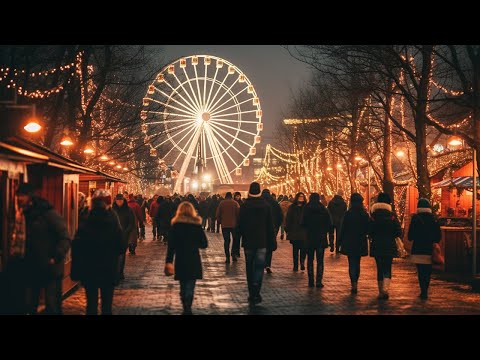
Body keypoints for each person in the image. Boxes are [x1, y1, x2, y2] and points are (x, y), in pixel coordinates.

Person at [14, 183, 71, 315]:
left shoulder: (47, 214)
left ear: (30, 197)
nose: (19, 198)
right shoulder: (22, 215)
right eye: (18, 195)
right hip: (32, 266)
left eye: (22, 195)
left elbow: (65, 238)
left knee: (52, 305)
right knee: (29, 304)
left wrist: (55, 257)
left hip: (51, 267)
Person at [71, 189, 123, 315]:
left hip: (90, 268)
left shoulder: (86, 219)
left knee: (91, 304)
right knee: (107, 305)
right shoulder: (113, 219)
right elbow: (121, 244)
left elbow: (77, 245)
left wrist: (77, 267)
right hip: (108, 267)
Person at [165, 201, 208, 315]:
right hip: (193, 258)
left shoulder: (176, 226)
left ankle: (185, 304)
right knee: (190, 284)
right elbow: (204, 244)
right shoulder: (196, 226)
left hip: (180, 258)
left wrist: (169, 261)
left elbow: (171, 246)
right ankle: (188, 305)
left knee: (183, 284)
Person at [238, 182, 275, 306]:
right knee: (259, 267)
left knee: (249, 267)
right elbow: (270, 226)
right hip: (261, 241)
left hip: (248, 242)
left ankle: (251, 292)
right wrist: (272, 243)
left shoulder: (244, 206)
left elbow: (239, 226)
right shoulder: (266, 206)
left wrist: (236, 244)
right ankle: (256, 290)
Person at [369, 192, 402, 300]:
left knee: (379, 268)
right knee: (387, 267)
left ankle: (380, 291)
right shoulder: (392, 216)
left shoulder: (373, 215)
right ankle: (385, 290)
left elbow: (370, 231)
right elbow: (398, 231)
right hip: (389, 245)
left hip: (377, 245)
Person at [408, 198, 441, 300]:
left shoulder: (415, 218)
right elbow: (438, 236)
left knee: (421, 271)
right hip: (429, 249)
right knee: (428, 271)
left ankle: (423, 291)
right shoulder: (433, 218)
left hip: (418, 249)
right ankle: (425, 290)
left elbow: (410, 236)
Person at [338, 193, 370, 294]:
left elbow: (342, 228)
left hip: (349, 241)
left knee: (351, 263)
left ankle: (353, 284)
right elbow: (368, 229)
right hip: (360, 241)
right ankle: (356, 282)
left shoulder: (348, 214)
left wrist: (338, 242)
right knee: (357, 263)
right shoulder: (364, 214)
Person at [302, 193, 332, 288]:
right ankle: (319, 281)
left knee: (310, 260)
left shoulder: (306, 209)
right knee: (320, 260)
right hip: (321, 238)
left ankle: (311, 281)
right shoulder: (323, 209)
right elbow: (329, 224)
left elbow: (302, 223)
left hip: (309, 238)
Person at [112, 194, 137, 280]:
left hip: (123, 236)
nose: (119, 202)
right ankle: (115, 271)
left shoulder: (128, 210)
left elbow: (131, 222)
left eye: (121, 200)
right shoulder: (112, 210)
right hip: (113, 236)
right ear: (115, 201)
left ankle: (120, 272)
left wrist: (126, 232)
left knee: (122, 255)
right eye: (118, 200)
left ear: (123, 200)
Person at [261, 189, 283, 274]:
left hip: (262, 228)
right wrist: (277, 226)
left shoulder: (260, 202)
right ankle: (268, 265)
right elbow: (280, 215)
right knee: (269, 247)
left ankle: (262, 264)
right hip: (272, 227)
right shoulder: (274, 203)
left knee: (262, 246)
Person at [285, 192, 308, 272]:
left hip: (303, 232)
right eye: (300, 196)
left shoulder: (306, 207)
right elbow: (288, 218)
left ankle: (302, 262)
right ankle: (295, 265)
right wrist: (287, 229)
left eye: (302, 196)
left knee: (303, 249)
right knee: (295, 250)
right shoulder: (292, 207)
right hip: (294, 231)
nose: (301, 198)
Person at [216, 192, 240, 263]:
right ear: (231, 196)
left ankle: (227, 257)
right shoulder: (235, 203)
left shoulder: (222, 203)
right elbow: (238, 214)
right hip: (234, 225)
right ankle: (233, 254)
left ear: (225, 196)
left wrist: (219, 221)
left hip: (224, 225)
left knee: (226, 241)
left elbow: (218, 214)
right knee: (235, 240)